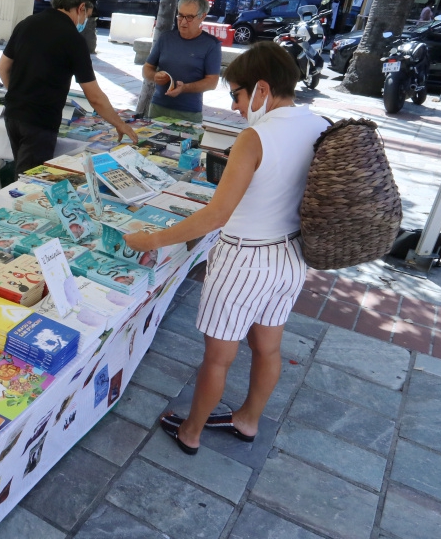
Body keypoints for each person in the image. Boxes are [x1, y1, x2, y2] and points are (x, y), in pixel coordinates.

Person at [123, 42, 329, 455]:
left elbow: (217, 215)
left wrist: (153, 239)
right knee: (268, 346)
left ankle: (191, 432)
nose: (235, 106)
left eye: (237, 94)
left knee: (218, 356)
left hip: (244, 259)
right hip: (290, 255)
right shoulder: (321, 123)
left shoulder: (255, 137)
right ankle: (248, 421)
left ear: (262, 89)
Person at [0, 0, 137, 174]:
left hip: (13, 114)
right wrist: (119, 124)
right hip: (40, 121)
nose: (85, 21)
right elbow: (94, 96)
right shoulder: (73, 39)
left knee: (22, 173)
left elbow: (2, 67)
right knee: (29, 183)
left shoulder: (27, 23)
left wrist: (19, 94)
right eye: (87, 15)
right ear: (81, 8)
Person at [142, 0, 222, 123]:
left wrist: (185, 88)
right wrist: (154, 76)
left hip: (188, 112)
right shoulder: (166, 38)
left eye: (190, 17)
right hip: (158, 107)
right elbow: (147, 69)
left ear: (202, 17)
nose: (183, 22)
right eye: (180, 15)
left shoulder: (211, 44)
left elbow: (212, 82)